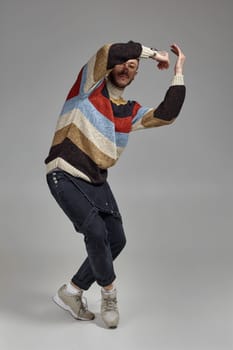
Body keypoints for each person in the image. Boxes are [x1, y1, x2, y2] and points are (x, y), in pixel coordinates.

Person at [45, 40, 186, 328]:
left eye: (132, 67)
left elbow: (167, 114)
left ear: (135, 77)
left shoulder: (128, 111)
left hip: (96, 180)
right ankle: (109, 295)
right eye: (124, 63)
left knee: (116, 239)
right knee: (96, 231)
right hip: (65, 172)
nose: (126, 67)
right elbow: (111, 50)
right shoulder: (88, 86)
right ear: (110, 68)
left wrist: (178, 71)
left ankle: (71, 292)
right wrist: (150, 55)